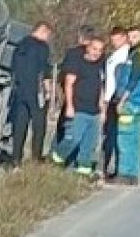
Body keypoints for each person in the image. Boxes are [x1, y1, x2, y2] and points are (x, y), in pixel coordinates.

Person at [50, 35, 106, 176]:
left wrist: (102, 109)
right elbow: (69, 84)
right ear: (87, 48)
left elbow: (100, 88)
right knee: (73, 138)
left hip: (94, 111)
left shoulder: (100, 66)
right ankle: (56, 158)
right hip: (78, 108)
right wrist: (69, 106)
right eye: (94, 49)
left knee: (89, 143)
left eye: (100, 50)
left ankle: (83, 169)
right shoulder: (78, 63)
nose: (96, 52)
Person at [109, 27, 140, 186]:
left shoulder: (139, 54)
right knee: (135, 138)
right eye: (130, 36)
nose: (132, 39)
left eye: (135, 36)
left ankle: (125, 174)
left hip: (132, 101)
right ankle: (132, 175)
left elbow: (133, 79)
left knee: (125, 138)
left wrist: (122, 100)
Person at [9, 22, 54, 166]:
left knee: (20, 125)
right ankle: (36, 157)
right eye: (48, 34)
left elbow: (13, 67)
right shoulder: (42, 47)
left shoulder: (21, 44)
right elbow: (43, 69)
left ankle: (16, 159)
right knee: (39, 125)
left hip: (20, 90)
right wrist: (47, 90)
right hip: (36, 90)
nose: (48, 38)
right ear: (43, 31)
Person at [53, 25, 96, 149]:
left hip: (72, 94)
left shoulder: (73, 53)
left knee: (66, 126)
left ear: (80, 37)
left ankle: (59, 151)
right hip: (89, 99)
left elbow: (64, 76)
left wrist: (61, 93)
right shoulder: (98, 55)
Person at [101, 27, 130, 179]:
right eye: (113, 40)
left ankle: (112, 166)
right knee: (110, 132)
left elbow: (115, 81)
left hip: (115, 97)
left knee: (114, 133)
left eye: (117, 39)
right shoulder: (114, 54)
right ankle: (107, 165)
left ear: (125, 37)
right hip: (111, 96)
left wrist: (106, 100)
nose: (114, 42)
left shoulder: (125, 55)